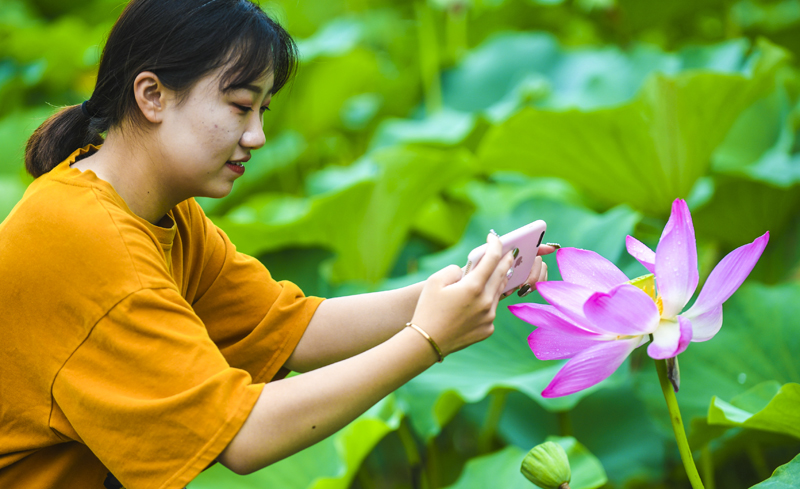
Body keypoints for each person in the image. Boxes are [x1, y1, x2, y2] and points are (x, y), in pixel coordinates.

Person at [0, 1, 551, 488]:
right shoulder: (89, 238)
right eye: (240, 106)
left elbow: (292, 328)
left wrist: (470, 282)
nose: (257, 136)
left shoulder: (160, 213)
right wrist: (427, 340)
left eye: (262, 110)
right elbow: (243, 436)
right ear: (152, 95)